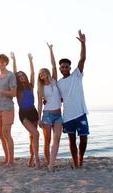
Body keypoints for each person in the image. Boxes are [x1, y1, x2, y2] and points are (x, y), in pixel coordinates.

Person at [57, 30, 89, 168]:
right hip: (68, 116)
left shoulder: (77, 75)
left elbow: (82, 59)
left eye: (66, 66)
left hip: (80, 113)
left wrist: (83, 44)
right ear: (60, 68)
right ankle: (75, 162)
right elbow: (59, 98)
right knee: (71, 141)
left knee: (83, 139)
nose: (64, 68)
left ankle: (80, 158)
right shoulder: (58, 83)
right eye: (62, 67)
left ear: (70, 67)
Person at [11, 51, 41, 168]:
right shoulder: (17, 88)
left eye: (23, 75)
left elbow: (33, 73)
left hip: (33, 112)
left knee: (32, 137)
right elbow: (14, 74)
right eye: (19, 76)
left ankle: (32, 157)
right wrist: (14, 59)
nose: (21, 77)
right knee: (36, 133)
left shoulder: (30, 85)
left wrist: (30, 60)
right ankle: (37, 160)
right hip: (23, 114)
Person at [37, 43, 62, 171]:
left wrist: (51, 50)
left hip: (58, 115)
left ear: (47, 73)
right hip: (46, 115)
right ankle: (49, 163)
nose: (42, 74)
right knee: (47, 140)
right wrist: (38, 119)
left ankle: (51, 162)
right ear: (39, 77)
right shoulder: (41, 88)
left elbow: (53, 65)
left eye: (43, 72)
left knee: (56, 138)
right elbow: (40, 104)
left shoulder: (54, 81)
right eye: (40, 74)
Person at [0, 54, 17, 167]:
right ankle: (6, 158)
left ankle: (11, 161)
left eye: (3, 62)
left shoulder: (10, 75)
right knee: (1, 134)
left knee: (6, 132)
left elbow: (13, 93)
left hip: (7, 108)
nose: (0, 64)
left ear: (6, 63)